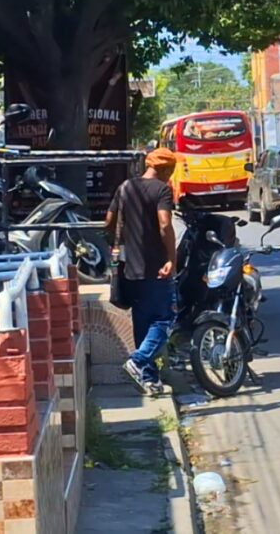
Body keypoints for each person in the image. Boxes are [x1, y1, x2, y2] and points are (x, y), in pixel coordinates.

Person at [106, 147, 179, 395]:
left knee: (142, 323)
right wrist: (171, 258)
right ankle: (137, 362)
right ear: (166, 169)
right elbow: (165, 224)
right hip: (155, 267)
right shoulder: (162, 190)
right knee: (164, 319)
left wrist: (122, 241)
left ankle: (149, 380)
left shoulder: (125, 187)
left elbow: (109, 221)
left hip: (129, 268)